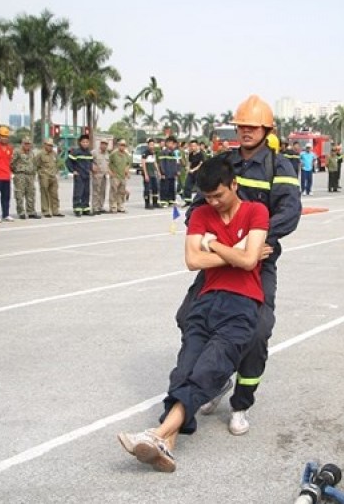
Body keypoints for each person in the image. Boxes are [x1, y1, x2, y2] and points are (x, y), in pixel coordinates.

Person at [118, 156, 271, 472]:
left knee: (208, 369)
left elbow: (249, 262)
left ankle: (158, 433)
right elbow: (192, 260)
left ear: (234, 185)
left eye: (219, 195)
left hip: (242, 305)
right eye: (208, 197)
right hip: (205, 302)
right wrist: (237, 253)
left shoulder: (256, 211)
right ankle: (166, 446)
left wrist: (213, 245)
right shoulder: (201, 213)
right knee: (184, 369)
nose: (213, 202)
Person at [175, 94, 300, 436]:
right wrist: (201, 233)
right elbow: (199, 204)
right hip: (218, 264)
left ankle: (241, 403)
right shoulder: (223, 162)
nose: (245, 130)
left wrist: (253, 241)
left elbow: (289, 213)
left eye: (253, 126)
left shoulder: (279, 167)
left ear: (266, 129)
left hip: (256, 264)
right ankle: (213, 381)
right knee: (189, 317)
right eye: (241, 124)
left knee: (257, 332)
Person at [11, 137, 41, 220]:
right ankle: (21, 212)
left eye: (29, 144)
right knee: (19, 194)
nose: (27, 145)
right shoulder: (17, 151)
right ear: (22, 143)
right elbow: (12, 163)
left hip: (30, 176)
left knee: (31, 194)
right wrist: (17, 171)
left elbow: (34, 163)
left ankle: (31, 212)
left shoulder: (32, 153)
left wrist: (33, 172)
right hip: (20, 175)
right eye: (26, 143)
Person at [66, 135, 94, 216]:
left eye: (86, 142)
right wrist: (73, 171)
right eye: (83, 142)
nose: (85, 144)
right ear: (80, 143)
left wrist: (92, 169)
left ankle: (85, 208)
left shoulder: (89, 153)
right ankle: (77, 209)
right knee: (78, 192)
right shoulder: (76, 152)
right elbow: (68, 162)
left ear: (88, 143)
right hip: (79, 175)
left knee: (86, 192)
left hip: (87, 175)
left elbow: (91, 163)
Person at [36, 138, 64, 217]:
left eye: (51, 145)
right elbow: (35, 164)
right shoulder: (40, 154)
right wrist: (40, 173)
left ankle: (55, 211)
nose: (50, 147)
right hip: (44, 176)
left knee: (54, 194)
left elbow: (58, 163)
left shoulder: (54, 153)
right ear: (44, 145)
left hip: (53, 176)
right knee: (44, 194)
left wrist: (56, 171)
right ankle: (45, 211)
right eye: (48, 145)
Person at [108, 139, 132, 213]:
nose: (122, 146)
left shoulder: (126, 155)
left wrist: (127, 172)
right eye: (121, 145)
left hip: (123, 176)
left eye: (124, 145)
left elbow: (128, 164)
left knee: (121, 192)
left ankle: (120, 206)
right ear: (118, 145)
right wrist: (110, 172)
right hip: (115, 175)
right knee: (114, 191)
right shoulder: (113, 154)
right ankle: (113, 206)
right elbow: (108, 163)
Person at [159, 136, 179, 207]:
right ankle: (164, 201)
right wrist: (162, 173)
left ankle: (171, 200)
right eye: (170, 143)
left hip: (172, 174)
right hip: (166, 173)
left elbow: (177, 163)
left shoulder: (175, 153)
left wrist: (177, 171)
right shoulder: (163, 152)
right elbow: (161, 163)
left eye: (173, 144)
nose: (172, 145)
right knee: (165, 188)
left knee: (172, 188)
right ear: (167, 143)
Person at [182, 139, 204, 206]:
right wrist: (188, 168)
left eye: (194, 146)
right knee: (187, 186)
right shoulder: (191, 154)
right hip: (191, 173)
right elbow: (189, 162)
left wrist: (193, 170)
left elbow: (200, 164)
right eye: (191, 146)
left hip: (198, 173)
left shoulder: (201, 154)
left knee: (198, 188)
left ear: (197, 146)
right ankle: (188, 201)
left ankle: (198, 202)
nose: (192, 147)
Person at [141, 139, 161, 209]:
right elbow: (143, 164)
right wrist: (145, 174)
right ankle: (147, 204)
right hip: (147, 173)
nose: (152, 146)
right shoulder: (145, 153)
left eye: (153, 144)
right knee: (147, 189)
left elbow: (155, 162)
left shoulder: (153, 153)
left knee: (155, 188)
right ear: (148, 145)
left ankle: (155, 203)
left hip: (153, 174)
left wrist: (158, 172)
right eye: (150, 145)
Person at [91, 139, 110, 214]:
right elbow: (89, 160)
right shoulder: (94, 152)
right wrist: (92, 166)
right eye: (103, 144)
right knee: (96, 192)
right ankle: (95, 207)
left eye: (106, 144)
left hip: (104, 175)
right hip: (97, 175)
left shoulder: (107, 153)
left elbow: (108, 163)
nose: (104, 145)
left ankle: (100, 206)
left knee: (103, 192)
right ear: (100, 144)